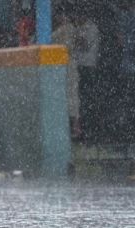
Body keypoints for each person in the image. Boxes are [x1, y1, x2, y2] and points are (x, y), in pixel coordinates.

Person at [52, 9, 81, 139]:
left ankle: (74, 127)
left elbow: (48, 39)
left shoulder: (66, 29)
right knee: (72, 97)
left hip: (67, 65)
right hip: (68, 65)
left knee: (70, 97)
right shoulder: (72, 29)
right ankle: (75, 127)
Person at [71, 14, 100, 142]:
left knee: (87, 97)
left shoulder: (91, 28)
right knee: (81, 98)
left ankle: (90, 129)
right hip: (80, 65)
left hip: (88, 65)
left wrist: (77, 35)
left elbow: (85, 44)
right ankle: (84, 129)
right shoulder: (81, 28)